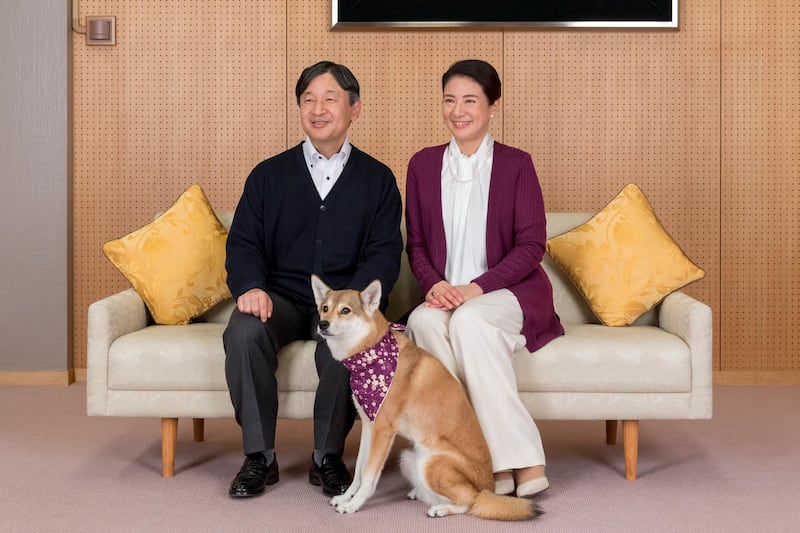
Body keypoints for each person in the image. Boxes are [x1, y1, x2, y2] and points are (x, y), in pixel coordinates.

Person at [223, 61, 403, 498]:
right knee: (244, 332)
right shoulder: (267, 175)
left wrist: (353, 305)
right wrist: (250, 287)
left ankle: (327, 458)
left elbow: (384, 251)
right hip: (281, 298)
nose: (318, 109)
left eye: (330, 99)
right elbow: (243, 242)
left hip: (345, 300)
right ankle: (258, 458)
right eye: (308, 100)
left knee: (352, 339)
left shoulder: (378, 179)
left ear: (354, 109)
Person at [404, 59, 564, 498]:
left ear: (493, 105)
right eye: (449, 100)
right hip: (445, 294)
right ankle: (468, 457)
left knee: (471, 322)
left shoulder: (516, 165)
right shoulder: (422, 165)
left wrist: (475, 288)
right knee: (422, 322)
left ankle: (519, 459)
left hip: (506, 293)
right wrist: (434, 284)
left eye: (470, 100)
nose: (458, 110)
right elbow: (415, 244)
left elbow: (531, 247)